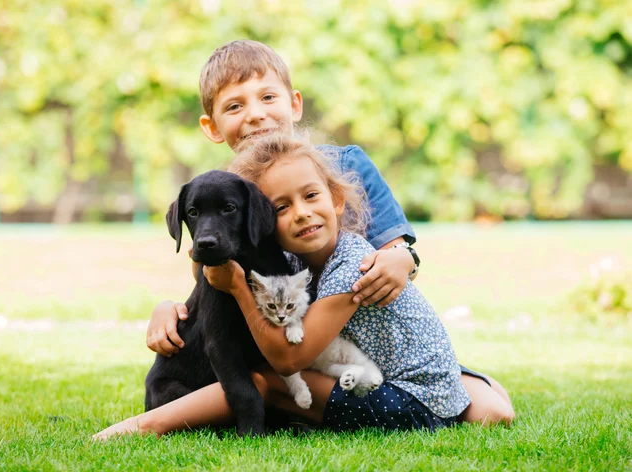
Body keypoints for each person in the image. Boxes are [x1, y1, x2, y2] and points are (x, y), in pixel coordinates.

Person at [145, 39, 514, 426]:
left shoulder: (343, 164)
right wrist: (169, 308)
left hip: (367, 340)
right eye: (235, 106)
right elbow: (213, 281)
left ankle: (462, 380)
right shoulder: (229, 193)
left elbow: (398, 249)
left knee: (494, 412)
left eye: (268, 97)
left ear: (294, 104)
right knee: (272, 378)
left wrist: (402, 257)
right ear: (212, 126)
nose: (255, 115)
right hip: (297, 343)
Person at [92, 135, 513, 440]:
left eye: (311, 196)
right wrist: (170, 304)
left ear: (337, 202)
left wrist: (239, 286)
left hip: (408, 400)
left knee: (266, 378)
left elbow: (290, 356)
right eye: (282, 207)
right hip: (376, 377)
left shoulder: (354, 263)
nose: (302, 214)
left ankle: (143, 425)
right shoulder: (292, 263)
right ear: (263, 221)